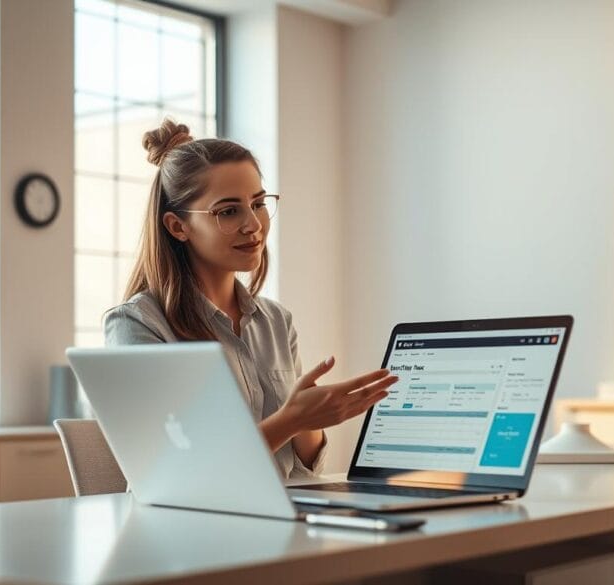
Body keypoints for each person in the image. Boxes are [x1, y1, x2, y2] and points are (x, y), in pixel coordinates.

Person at [104, 119, 397, 477]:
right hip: (191, 526)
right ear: (177, 226)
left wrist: (311, 416)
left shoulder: (276, 321)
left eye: (258, 203)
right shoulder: (137, 325)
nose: (254, 224)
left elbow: (305, 468)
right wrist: (291, 419)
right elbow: (176, 475)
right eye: (228, 211)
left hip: (291, 512)